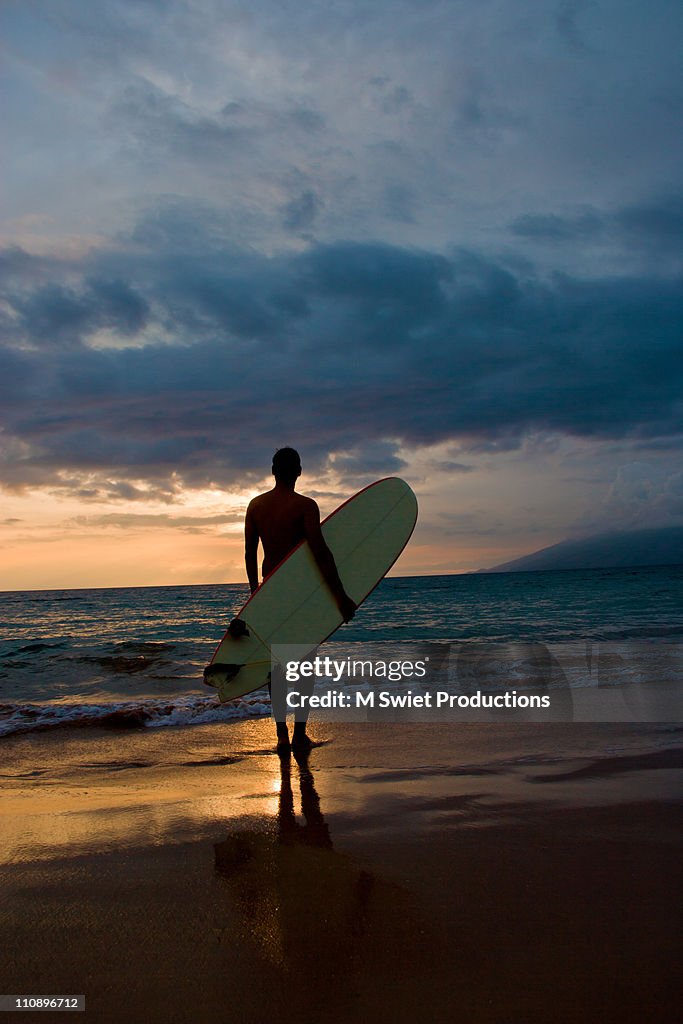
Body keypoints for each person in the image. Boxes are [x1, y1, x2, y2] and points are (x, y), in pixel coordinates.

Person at [244, 448, 356, 752]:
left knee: (276, 669)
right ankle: (299, 735)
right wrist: (341, 596)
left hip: (270, 592)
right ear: (299, 471)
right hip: (302, 595)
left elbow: (249, 554)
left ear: (273, 471)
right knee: (305, 667)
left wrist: (255, 595)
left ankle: (281, 735)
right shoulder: (306, 506)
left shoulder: (255, 506)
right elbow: (320, 552)